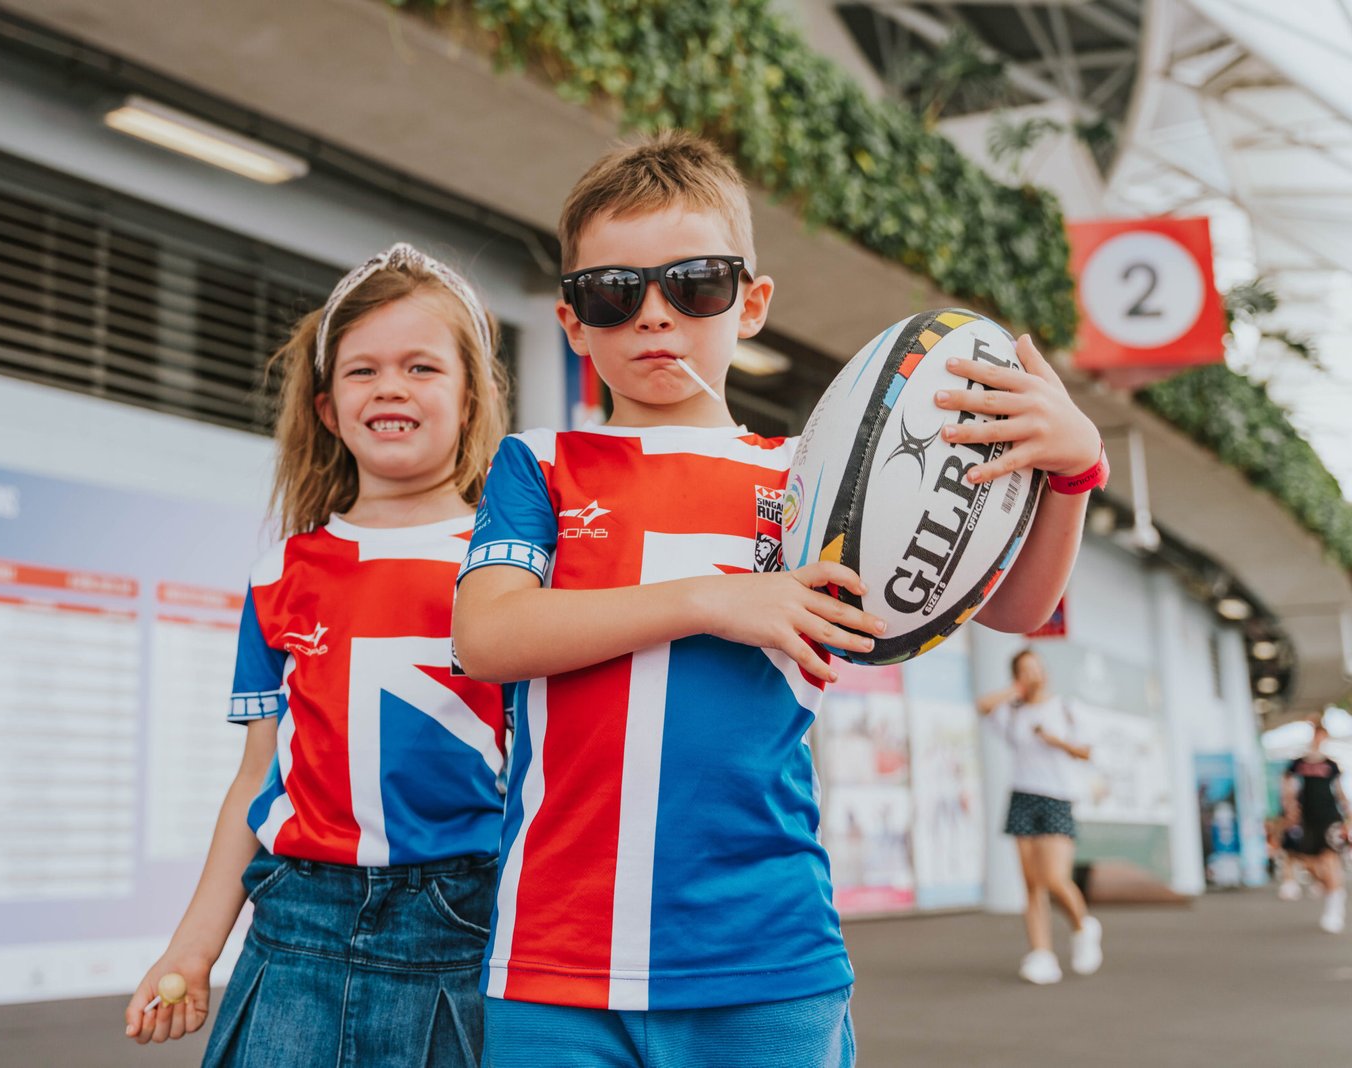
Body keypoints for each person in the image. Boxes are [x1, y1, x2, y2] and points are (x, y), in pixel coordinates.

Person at [452, 132, 1105, 1067]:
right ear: (572, 322)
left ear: (750, 304)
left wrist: (1074, 469)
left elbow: (1010, 611)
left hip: (767, 954)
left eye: (695, 285)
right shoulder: (541, 464)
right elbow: (487, 635)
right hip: (555, 961)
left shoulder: (812, 481)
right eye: (613, 292)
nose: (653, 317)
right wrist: (715, 601)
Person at [123, 243, 511, 1066]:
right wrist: (193, 950)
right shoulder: (280, 575)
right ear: (329, 408)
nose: (392, 388)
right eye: (363, 371)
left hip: (469, 933)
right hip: (296, 933)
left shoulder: (511, 568)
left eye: (421, 367)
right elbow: (256, 778)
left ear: (472, 400)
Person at [977, 648, 1102, 984]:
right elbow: (983, 706)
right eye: (1024, 670)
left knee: (1055, 878)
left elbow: (1085, 752)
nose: (1033, 674)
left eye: (1036, 669)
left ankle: (1082, 926)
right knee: (1032, 885)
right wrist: (1015, 691)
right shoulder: (1013, 712)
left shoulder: (1065, 708)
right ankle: (1042, 954)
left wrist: (1054, 740)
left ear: (1045, 672)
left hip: (1058, 798)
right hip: (1022, 796)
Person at [1281, 722, 1349, 932]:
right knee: (1308, 862)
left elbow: (1339, 791)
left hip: (1329, 817)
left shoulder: (1331, 765)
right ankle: (1331, 889)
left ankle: (1334, 907)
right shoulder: (1298, 763)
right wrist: (1289, 807)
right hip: (1307, 818)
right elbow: (1288, 786)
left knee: (1330, 859)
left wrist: (1349, 815)